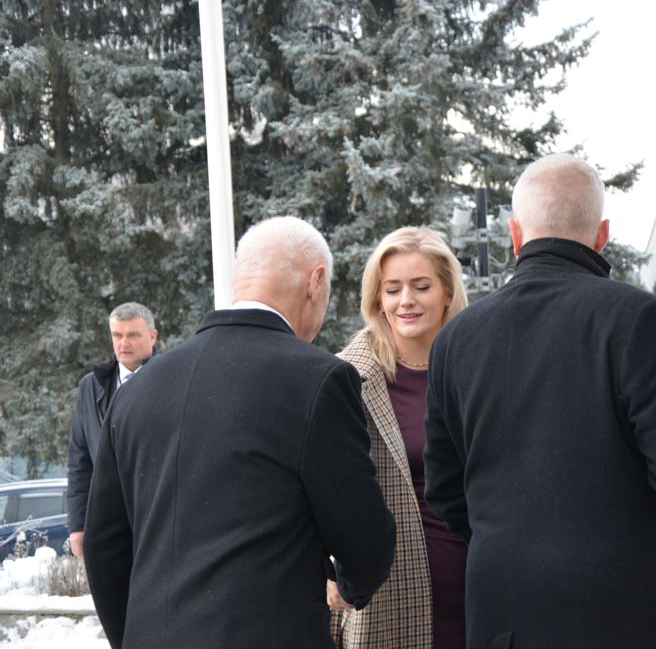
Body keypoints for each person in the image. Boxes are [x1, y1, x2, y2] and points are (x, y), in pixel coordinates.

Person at [423, 153, 656, 648]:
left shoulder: (455, 338)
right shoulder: (638, 318)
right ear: (602, 235)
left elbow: (445, 490)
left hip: (504, 614)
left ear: (515, 235)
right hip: (624, 613)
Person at [84, 216, 396, 649]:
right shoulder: (318, 380)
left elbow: (104, 546)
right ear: (315, 282)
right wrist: (351, 586)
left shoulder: (138, 389)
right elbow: (362, 534)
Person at [329, 227, 469, 649]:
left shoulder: (478, 368)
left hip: (481, 581)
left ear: (447, 293)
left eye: (421, 286)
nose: (406, 300)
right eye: (393, 289)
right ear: (378, 300)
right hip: (388, 596)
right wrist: (329, 566)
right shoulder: (347, 379)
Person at [66, 302, 158, 561]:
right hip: (108, 524)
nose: (123, 343)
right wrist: (78, 526)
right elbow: (80, 462)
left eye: (133, 335)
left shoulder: (175, 380)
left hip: (158, 519)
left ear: (152, 337)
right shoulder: (91, 386)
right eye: (117, 335)